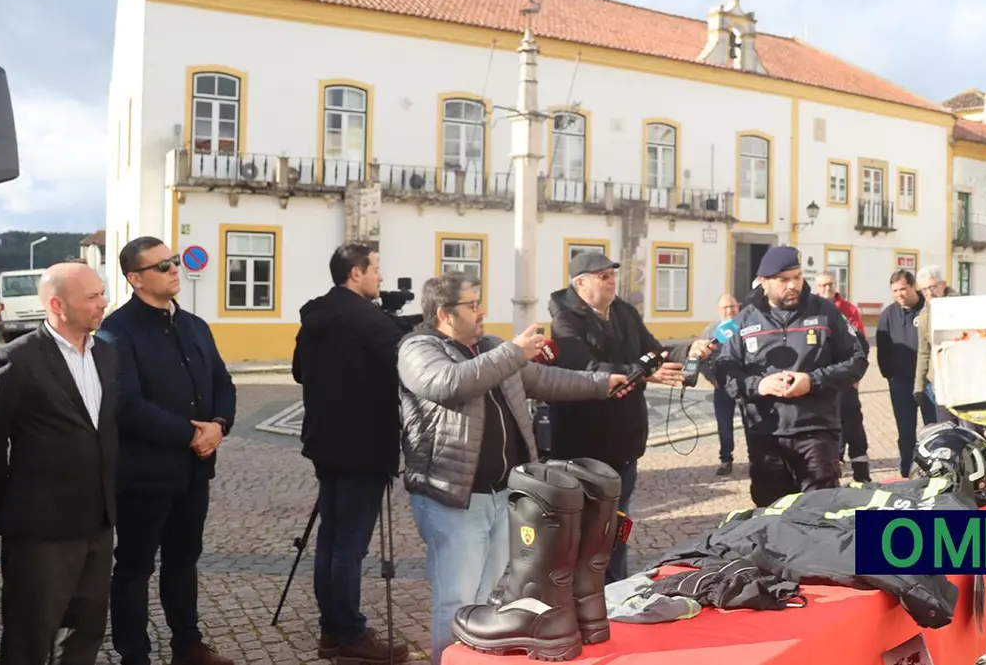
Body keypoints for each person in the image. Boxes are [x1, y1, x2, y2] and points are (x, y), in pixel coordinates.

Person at [397, 273, 631, 665]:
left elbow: (543, 378)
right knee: (456, 597)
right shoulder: (418, 349)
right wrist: (514, 352)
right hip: (455, 498)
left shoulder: (487, 347)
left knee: (492, 601)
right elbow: (449, 384)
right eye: (472, 305)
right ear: (444, 314)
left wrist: (601, 383)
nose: (481, 310)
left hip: (505, 494)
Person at [99, 237, 237, 665]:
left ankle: (188, 645)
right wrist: (189, 435)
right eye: (161, 266)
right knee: (135, 567)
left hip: (194, 472)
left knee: (184, 561)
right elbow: (126, 404)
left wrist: (218, 426)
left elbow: (223, 384)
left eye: (173, 261)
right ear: (135, 279)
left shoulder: (195, 325)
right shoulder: (115, 331)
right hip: (144, 475)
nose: (173, 269)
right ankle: (134, 655)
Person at [0, 263, 117, 665]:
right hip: (38, 534)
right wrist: (16, 506)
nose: (103, 302)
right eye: (92, 296)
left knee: (86, 633)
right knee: (29, 639)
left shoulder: (107, 354)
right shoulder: (17, 359)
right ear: (57, 304)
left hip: (98, 525)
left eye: (101, 293)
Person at [545, 252, 712, 583]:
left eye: (612, 275)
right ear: (581, 283)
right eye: (603, 276)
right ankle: (583, 599)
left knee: (617, 527)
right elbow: (587, 371)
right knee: (585, 534)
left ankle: (614, 592)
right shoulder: (564, 320)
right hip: (583, 445)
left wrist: (688, 351)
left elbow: (653, 350)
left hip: (625, 443)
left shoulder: (623, 311)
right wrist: (643, 374)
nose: (611, 281)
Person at [291, 242, 409, 663]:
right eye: (375, 268)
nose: (380, 276)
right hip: (364, 446)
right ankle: (352, 634)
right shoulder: (368, 321)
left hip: (325, 443)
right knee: (349, 547)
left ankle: (331, 631)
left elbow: (298, 371)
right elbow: (410, 368)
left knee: (330, 540)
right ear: (355, 273)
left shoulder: (316, 315)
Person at [714, 247, 868, 507]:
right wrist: (758, 385)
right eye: (783, 280)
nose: (793, 285)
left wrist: (813, 381)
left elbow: (857, 360)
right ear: (763, 282)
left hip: (816, 432)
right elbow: (724, 368)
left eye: (797, 277)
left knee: (820, 515)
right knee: (772, 517)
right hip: (765, 436)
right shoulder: (743, 321)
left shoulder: (826, 313)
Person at [812, 271, 871, 482]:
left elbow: (861, 345)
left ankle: (862, 474)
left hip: (845, 379)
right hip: (821, 382)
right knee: (826, 428)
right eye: (822, 285)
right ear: (816, 288)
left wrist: (855, 377)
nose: (827, 288)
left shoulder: (848, 310)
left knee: (853, 425)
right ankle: (831, 473)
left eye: (830, 284)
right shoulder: (810, 310)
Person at [876, 269, 936, 478]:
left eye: (903, 289)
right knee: (905, 432)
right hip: (900, 382)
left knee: (934, 428)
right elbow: (882, 349)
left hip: (929, 382)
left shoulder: (928, 309)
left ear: (913, 287)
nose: (900, 294)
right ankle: (906, 473)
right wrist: (890, 376)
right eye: (895, 291)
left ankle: (936, 470)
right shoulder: (888, 315)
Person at [913, 266, 960, 424]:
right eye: (924, 290)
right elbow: (923, 352)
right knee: (945, 427)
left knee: (970, 432)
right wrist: (918, 386)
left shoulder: (961, 306)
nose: (929, 293)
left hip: (963, 380)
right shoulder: (924, 315)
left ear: (943, 285)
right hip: (940, 383)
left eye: (932, 287)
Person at [700, 294, 740, 476]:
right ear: (719, 310)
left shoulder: (746, 326)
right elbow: (702, 359)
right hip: (722, 385)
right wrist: (711, 378)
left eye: (732, 306)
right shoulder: (710, 331)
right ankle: (726, 459)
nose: (729, 310)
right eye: (725, 307)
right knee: (724, 424)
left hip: (745, 383)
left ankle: (756, 459)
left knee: (753, 422)